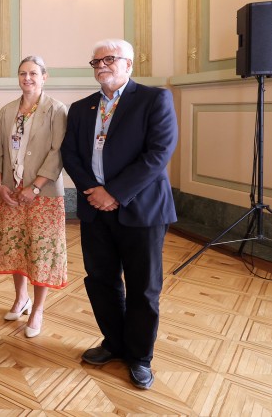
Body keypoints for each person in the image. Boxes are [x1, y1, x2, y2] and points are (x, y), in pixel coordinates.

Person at [60, 39, 177, 390]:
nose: (101, 66)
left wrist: (115, 192)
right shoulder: (82, 108)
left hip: (141, 210)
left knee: (143, 288)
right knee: (100, 281)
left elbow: (158, 154)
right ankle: (114, 342)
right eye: (96, 61)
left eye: (109, 59)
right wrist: (94, 192)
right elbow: (70, 154)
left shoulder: (154, 99)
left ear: (128, 64)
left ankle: (140, 356)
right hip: (96, 211)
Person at [0, 56, 68, 338]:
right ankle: (20, 298)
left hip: (42, 195)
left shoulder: (56, 110)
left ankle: (37, 308)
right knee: (15, 246)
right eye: (22, 73)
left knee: (40, 252)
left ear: (44, 76)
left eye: (33, 73)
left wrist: (34, 187)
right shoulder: (7, 110)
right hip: (10, 193)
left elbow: (57, 152)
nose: (27, 79)